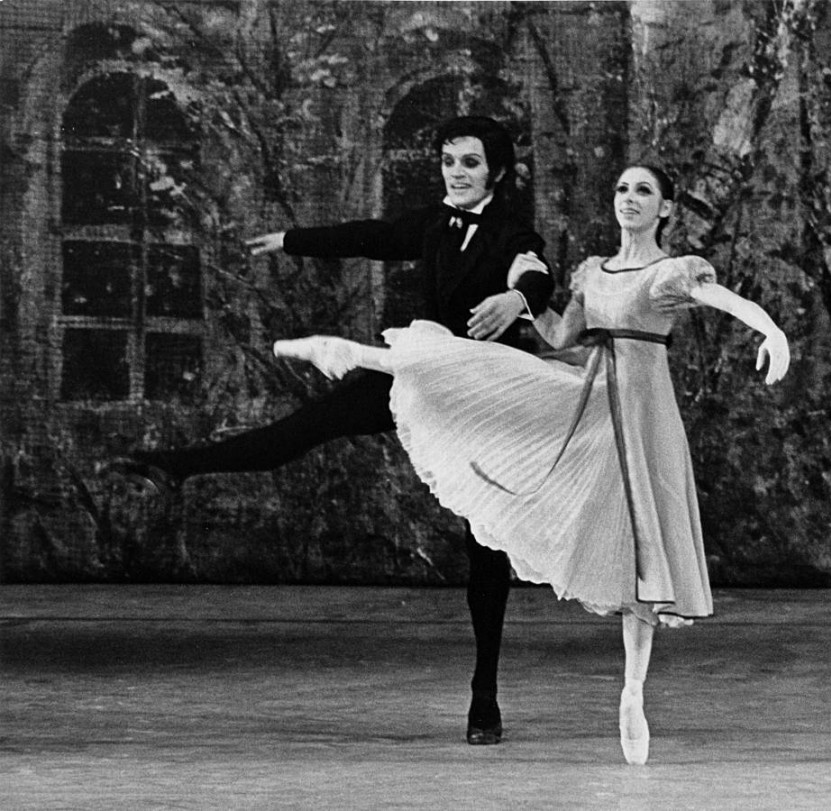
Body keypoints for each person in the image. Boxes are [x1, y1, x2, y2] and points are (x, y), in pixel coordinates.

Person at [273, 164, 791, 765]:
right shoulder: (594, 272)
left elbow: (723, 299)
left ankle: (632, 691)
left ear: (666, 210)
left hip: (644, 416)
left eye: (643, 191)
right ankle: (357, 353)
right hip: (589, 401)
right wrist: (520, 294)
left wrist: (770, 328)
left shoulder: (669, 274)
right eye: (622, 188)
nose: (629, 198)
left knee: (646, 549)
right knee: (479, 366)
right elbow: (559, 333)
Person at [105, 116, 555, 746]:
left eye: (471, 162)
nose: (456, 171)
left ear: (497, 172)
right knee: (304, 427)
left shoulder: (511, 229)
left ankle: (485, 697)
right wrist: (292, 239)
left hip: (480, 396)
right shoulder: (432, 222)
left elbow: (537, 273)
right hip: (417, 374)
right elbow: (368, 237)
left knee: (485, 542)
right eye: (449, 160)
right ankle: (172, 465)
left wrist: (518, 299)